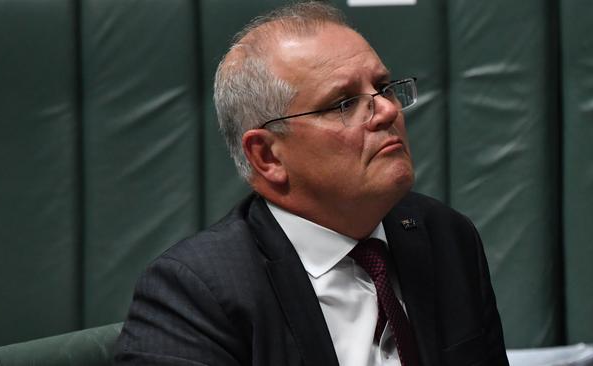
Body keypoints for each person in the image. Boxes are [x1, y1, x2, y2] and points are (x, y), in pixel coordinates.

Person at [114, 2, 509, 365]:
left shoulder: (445, 236)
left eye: (383, 87)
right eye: (343, 103)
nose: (387, 109)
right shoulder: (194, 294)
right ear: (268, 156)